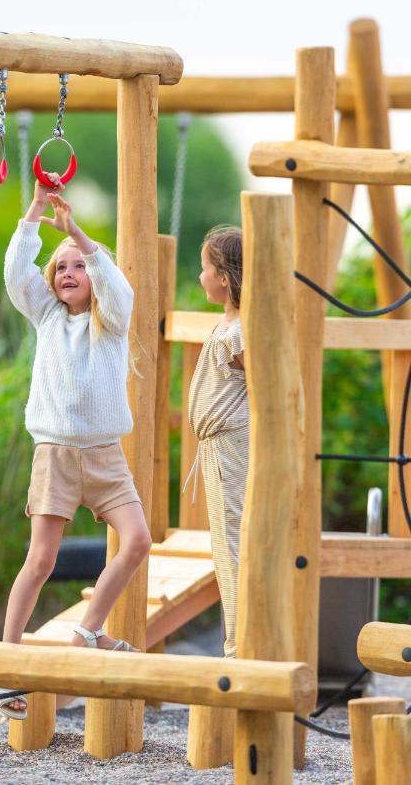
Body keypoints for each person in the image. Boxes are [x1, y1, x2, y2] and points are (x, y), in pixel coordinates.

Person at [0, 173, 152, 719]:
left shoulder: (111, 322)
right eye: (60, 267)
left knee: (137, 541)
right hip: (56, 454)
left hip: (105, 456)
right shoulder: (47, 318)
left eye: (77, 266)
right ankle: (5, 665)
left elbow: (118, 284)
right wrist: (34, 214)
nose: (68, 273)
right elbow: (16, 274)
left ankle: (87, 631)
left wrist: (79, 235)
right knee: (40, 559)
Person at [187, 225, 248, 658]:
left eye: (205, 268)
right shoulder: (226, 322)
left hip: (231, 445)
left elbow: (263, 384)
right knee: (222, 543)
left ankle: (239, 646)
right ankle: (236, 640)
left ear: (224, 277)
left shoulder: (240, 330)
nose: (200, 276)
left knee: (232, 542)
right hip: (216, 446)